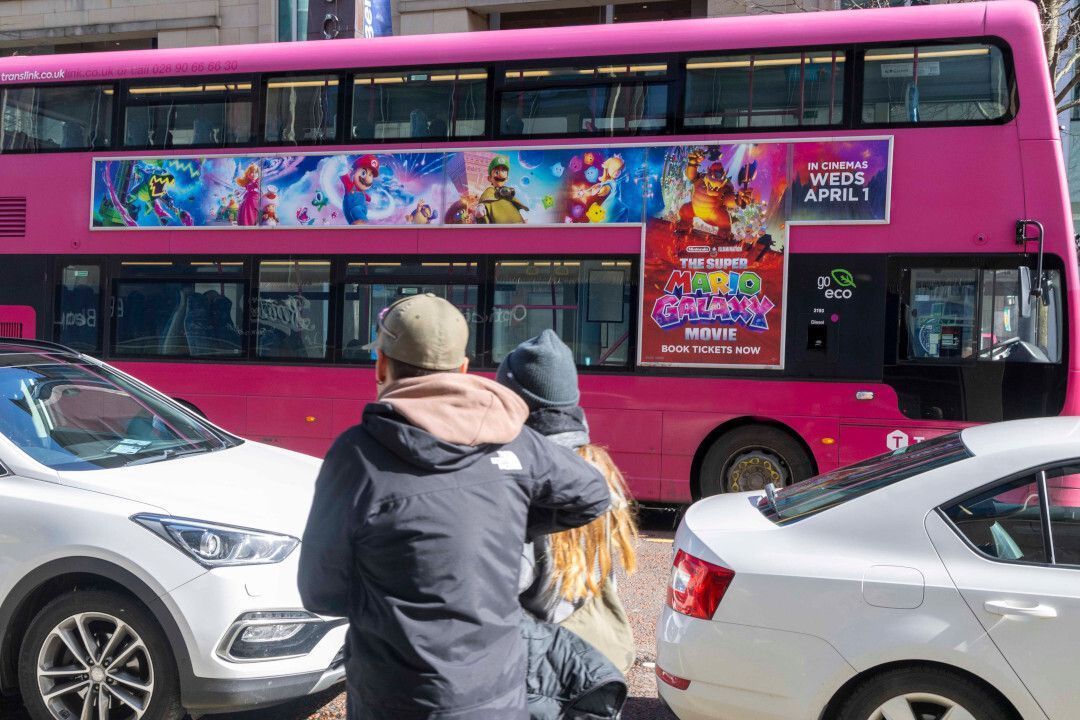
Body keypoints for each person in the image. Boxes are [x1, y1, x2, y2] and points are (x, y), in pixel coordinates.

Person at [297, 294, 611, 720]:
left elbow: (321, 591)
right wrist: (501, 521)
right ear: (463, 369)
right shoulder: (509, 437)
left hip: (395, 699)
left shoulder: (357, 456)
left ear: (381, 366)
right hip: (498, 697)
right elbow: (593, 494)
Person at [498, 330, 638, 674]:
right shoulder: (596, 467)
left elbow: (505, 589)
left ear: (517, 401)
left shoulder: (528, 478)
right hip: (595, 663)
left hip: (541, 670)